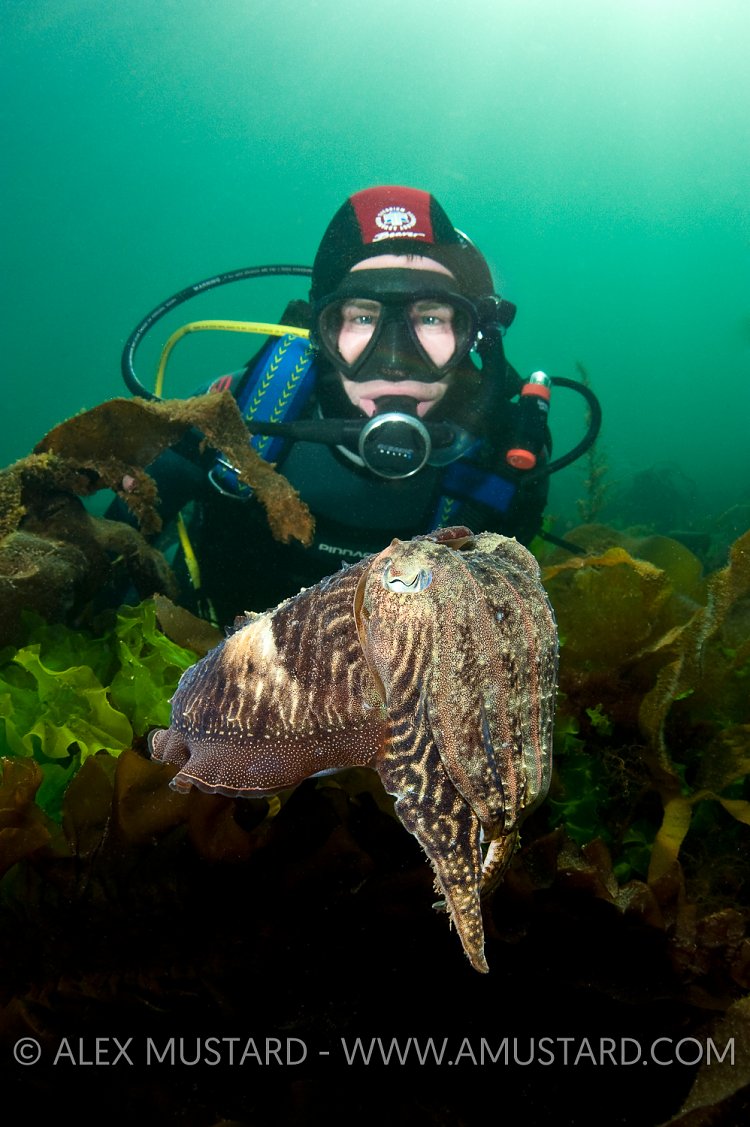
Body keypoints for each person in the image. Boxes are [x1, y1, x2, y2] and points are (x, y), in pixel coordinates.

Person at [117, 186, 555, 624]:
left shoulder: (504, 459)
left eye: (431, 317)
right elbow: (114, 559)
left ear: (474, 335)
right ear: (320, 331)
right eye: (362, 317)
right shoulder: (235, 414)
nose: (396, 362)